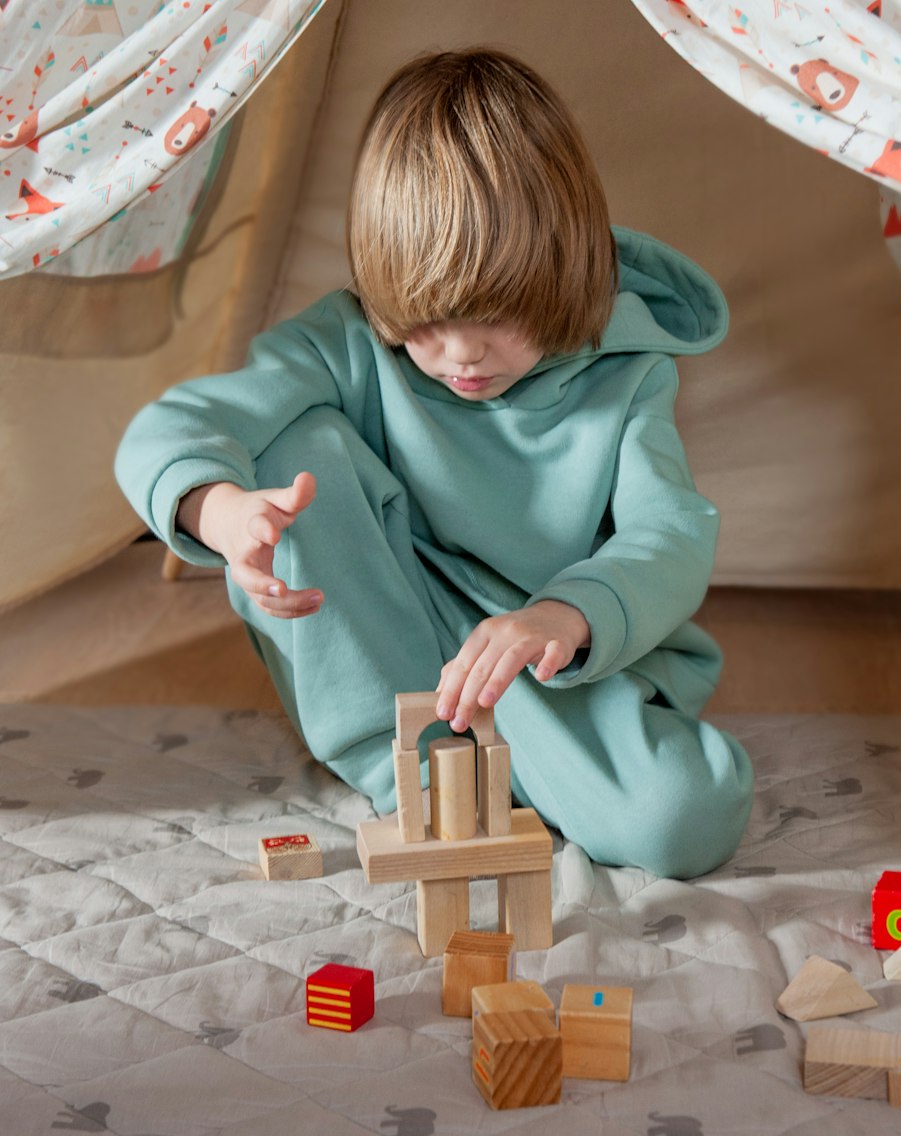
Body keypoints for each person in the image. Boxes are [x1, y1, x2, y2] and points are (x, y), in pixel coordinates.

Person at [115, 48, 753, 878]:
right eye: (422, 321)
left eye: (494, 317)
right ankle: (409, 769)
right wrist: (222, 511)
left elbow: (670, 531)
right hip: (391, 633)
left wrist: (564, 617)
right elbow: (172, 427)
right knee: (290, 443)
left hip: (530, 654)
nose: (459, 355)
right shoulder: (348, 339)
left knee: (681, 821)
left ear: (559, 270)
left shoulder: (626, 372)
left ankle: (506, 765)